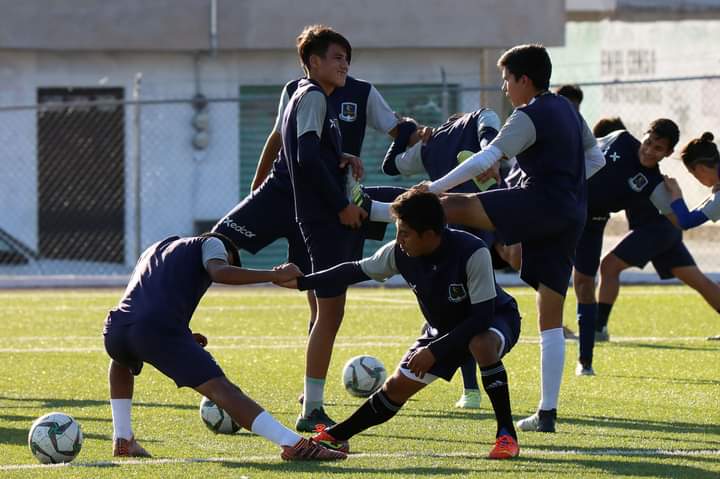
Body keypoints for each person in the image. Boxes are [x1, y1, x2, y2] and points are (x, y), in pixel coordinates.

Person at [214, 25, 407, 431]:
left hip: (313, 212)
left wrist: (345, 158)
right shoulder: (313, 95)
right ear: (313, 62)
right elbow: (302, 155)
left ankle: (310, 401)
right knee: (329, 310)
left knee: (324, 309)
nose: (344, 65)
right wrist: (341, 205)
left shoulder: (315, 96)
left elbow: (314, 151)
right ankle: (311, 409)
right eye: (336, 58)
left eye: (347, 58)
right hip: (320, 216)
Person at [416, 44, 601, 433]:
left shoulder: (527, 114)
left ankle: (384, 213)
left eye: (506, 80)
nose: (504, 88)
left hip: (543, 201)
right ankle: (546, 414)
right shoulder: (568, 108)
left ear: (524, 80)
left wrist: (431, 187)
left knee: (449, 204)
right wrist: (567, 185)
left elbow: (488, 160)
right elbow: (595, 159)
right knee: (550, 317)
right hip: (572, 213)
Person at [278, 190, 522, 459]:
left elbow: (482, 317)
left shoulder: (472, 251)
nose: (399, 240)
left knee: (481, 342)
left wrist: (434, 351)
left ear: (429, 233)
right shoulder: (399, 253)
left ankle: (506, 436)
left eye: (405, 233)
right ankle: (336, 437)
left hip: (494, 319)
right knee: (395, 387)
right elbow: (354, 270)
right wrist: (302, 282)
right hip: (442, 331)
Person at [103, 232, 345, 461]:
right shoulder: (211, 244)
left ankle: (123, 438)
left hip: (117, 329)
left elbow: (147, 299)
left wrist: (183, 334)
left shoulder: (155, 249)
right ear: (227, 250)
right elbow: (220, 271)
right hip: (158, 330)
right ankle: (294, 444)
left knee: (121, 361)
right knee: (223, 390)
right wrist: (274, 274)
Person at [381, 109, 518, 409]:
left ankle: (470, 390)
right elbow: (489, 135)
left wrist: (405, 134)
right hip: (480, 219)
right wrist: (490, 157)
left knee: (458, 306)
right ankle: (472, 388)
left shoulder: (429, 143)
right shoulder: (481, 115)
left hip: (446, 227)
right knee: (469, 304)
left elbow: (392, 165)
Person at [572, 118, 680, 375]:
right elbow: (583, 148)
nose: (649, 149)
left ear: (668, 153)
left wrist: (676, 195)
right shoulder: (619, 139)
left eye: (658, 148)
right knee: (523, 259)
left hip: (593, 223)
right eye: (649, 141)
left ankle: (585, 361)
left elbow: (680, 220)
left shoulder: (654, 184)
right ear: (642, 135)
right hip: (565, 206)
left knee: (584, 285)